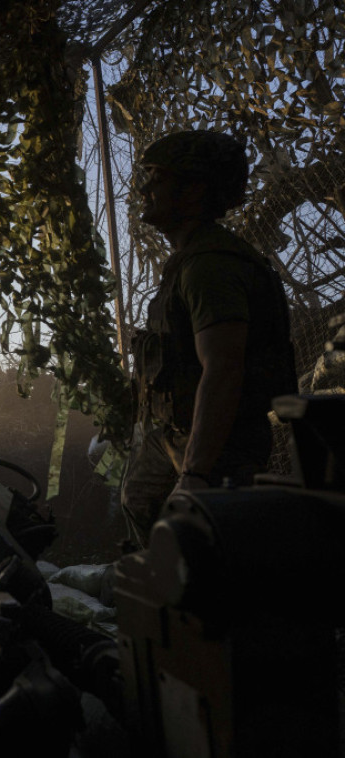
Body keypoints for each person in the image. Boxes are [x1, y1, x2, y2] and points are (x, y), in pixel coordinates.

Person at [121, 129, 296, 549]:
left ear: (194, 190)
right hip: (175, 436)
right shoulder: (188, 263)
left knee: (208, 554)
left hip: (217, 450)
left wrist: (196, 473)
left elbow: (223, 367)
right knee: (143, 508)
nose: (145, 190)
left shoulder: (211, 267)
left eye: (157, 178)